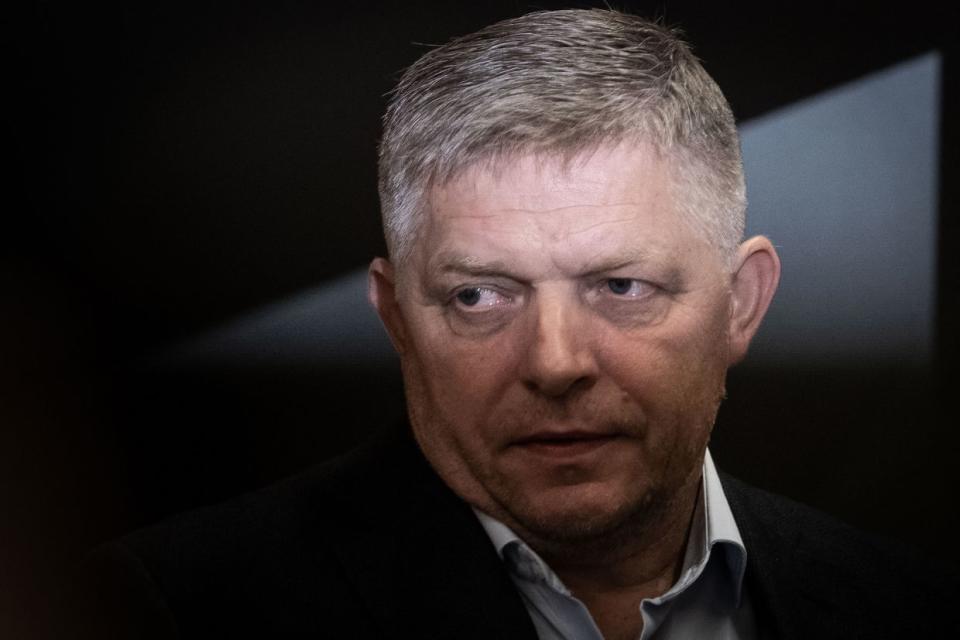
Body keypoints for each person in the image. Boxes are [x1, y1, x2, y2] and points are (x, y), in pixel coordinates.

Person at [73, 9, 955, 639]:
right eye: (479, 296)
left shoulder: (908, 604)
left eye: (621, 285)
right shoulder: (165, 608)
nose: (556, 361)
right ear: (395, 317)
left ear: (742, 303)